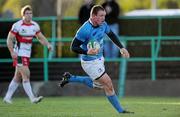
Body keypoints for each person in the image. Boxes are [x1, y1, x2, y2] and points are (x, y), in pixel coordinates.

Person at [59, 5, 133, 114]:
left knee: (99, 86)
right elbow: (73, 47)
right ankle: (121, 111)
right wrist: (86, 52)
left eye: (104, 15)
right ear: (93, 16)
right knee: (108, 83)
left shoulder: (103, 24)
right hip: (89, 62)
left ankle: (70, 78)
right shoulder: (84, 30)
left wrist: (121, 48)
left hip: (99, 59)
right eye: (101, 16)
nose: (104, 18)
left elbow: (112, 35)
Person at [3, 5, 52, 104]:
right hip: (19, 54)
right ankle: (33, 98)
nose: (29, 15)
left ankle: (7, 97)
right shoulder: (17, 25)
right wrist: (12, 51)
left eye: (30, 13)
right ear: (23, 15)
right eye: (27, 13)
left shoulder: (34, 26)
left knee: (17, 77)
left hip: (27, 54)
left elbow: (40, 37)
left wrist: (48, 44)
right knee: (26, 74)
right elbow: (9, 39)